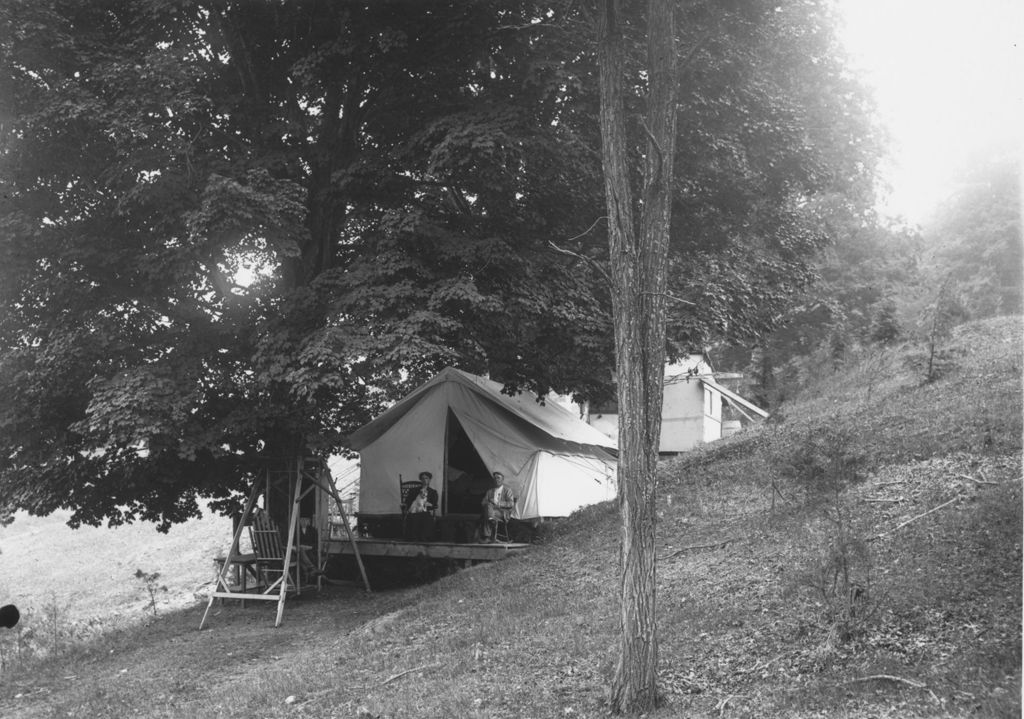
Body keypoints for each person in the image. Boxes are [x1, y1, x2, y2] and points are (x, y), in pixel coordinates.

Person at [403, 471, 438, 541]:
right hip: (414, 511)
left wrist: (429, 504)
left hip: (425, 511)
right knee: (414, 517)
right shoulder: (414, 490)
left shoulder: (433, 492)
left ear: (430, 479)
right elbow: (408, 501)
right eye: (423, 478)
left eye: (427, 478)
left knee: (426, 517)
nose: (425, 480)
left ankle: (424, 538)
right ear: (420, 480)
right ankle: (414, 538)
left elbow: (434, 505)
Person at [481, 471, 515, 542]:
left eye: (498, 478)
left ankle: (487, 536)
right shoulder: (489, 491)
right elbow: (483, 502)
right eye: (495, 478)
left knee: (486, 514)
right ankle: (491, 518)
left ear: (502, 480)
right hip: (491, 511)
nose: (497, 479)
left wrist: (498, 503)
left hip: (502, 513)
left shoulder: (507, 490)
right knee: (488, 505)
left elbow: (511, 503)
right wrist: (490, 501)